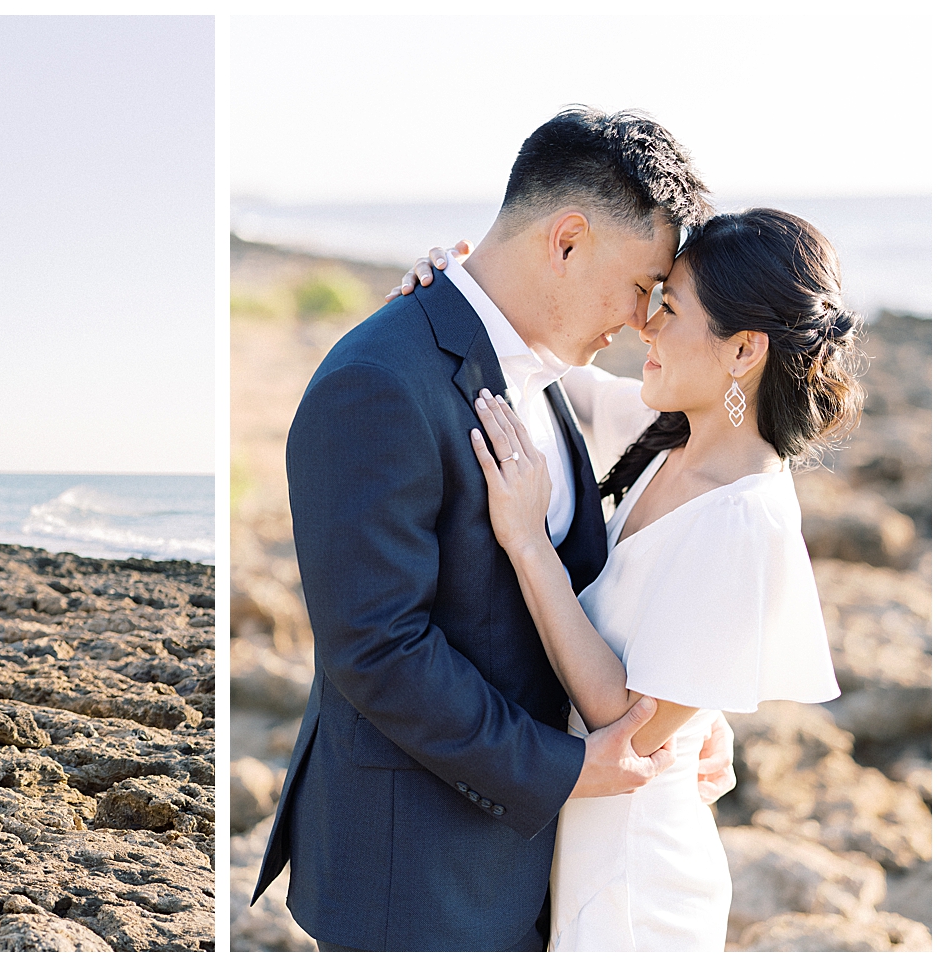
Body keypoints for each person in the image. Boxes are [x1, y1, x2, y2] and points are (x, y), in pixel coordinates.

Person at [251, 107, 735, 952]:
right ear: (568, 239)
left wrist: (682, 709)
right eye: (640, 285)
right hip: (420, 876)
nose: (638, 319)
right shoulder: (375, 382)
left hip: (530, 866)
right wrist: (570, 767)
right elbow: (376, 648)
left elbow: (586, 579)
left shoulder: (542, 368)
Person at [462, 208, 850, 949]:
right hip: (580, 847)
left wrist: (527, 541)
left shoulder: (745, 519)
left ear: (743, 350)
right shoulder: (668, 438)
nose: (645, 324)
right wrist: (456, 290)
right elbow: (551, 373)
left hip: (636, 884)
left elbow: (627, 724)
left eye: (669, 307)